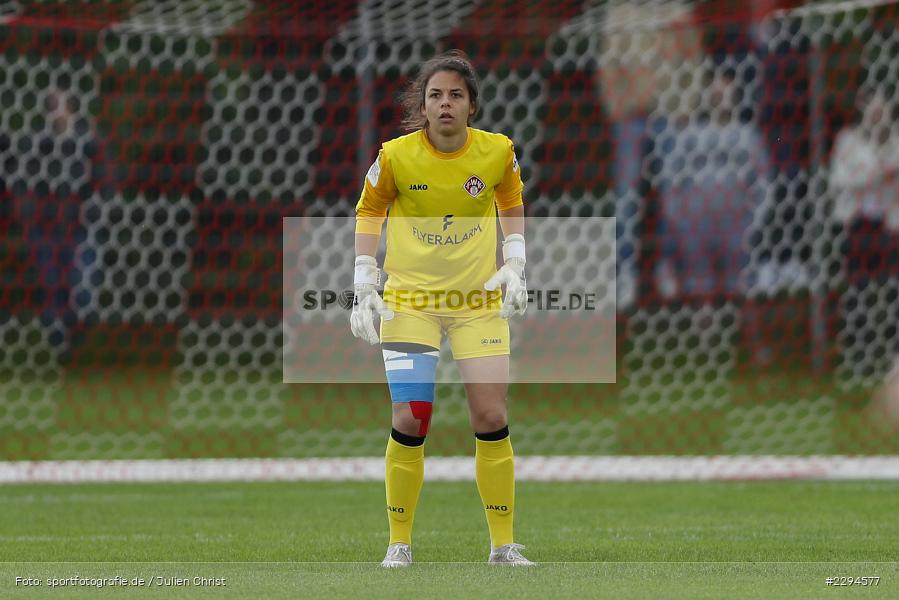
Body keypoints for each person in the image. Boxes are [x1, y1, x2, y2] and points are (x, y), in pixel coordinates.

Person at [350, 50, 535, 567]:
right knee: (411, 417)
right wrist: (365, 280)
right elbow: (369, 210)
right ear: (423, 105)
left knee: (491, 413)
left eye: (456, 94)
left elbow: (511, 201)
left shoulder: (497, 152)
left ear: (471, 105)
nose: (446, 103)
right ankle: (399, 543)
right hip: (410, 303)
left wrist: (516, 262)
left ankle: (503, 546)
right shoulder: (395, 156)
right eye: (436, 95)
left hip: (476, 304)